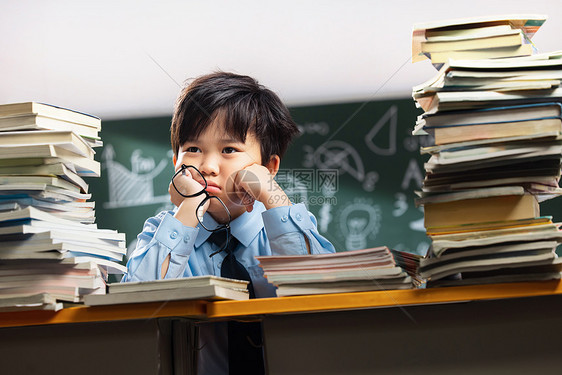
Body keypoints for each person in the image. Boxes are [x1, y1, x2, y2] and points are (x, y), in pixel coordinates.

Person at [121, 71, 336, 374]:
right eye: (193, 150)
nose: (208, 166)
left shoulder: (285, 229)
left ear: (268, 167)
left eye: (229, 150)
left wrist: (272, 195)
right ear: (176, 163)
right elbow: (136, 308)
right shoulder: (162, 232)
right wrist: (189, 206)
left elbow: (328, 294)